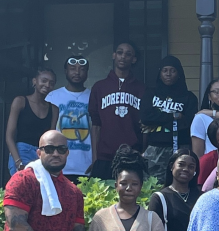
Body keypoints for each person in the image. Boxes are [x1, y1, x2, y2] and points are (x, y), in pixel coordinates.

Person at [89, 42, 145, 179]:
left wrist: (142, 153)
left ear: (134, 59)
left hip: (132, 154)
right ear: (114, 55)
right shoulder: (99, 87)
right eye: (120, 52)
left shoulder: (141, 88)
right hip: (105, 155)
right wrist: (95, 157)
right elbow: (96, 125)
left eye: (128, 54)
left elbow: (144, 126)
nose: (123, 56)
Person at [140, 56, 199, 179]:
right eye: (165, 70)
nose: (168, 74)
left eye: (172, 70)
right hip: (154, 147)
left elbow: (187, 122)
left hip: (181, 147)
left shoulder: (189, 97)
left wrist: (158, 119)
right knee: (152, 183)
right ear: (159, 73)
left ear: (179, 73)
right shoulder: (150, 93)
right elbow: (145, 117)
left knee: (180, 180)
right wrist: (173, 116)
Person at [6, 68, 60, 176]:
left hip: (42, 155)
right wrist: (18, 161)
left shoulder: (54, 109)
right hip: (22, 151)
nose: (47, 85)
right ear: (34, 81)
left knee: (41, 191)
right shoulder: (20, 101)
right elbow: (9, 136)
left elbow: (51, 139)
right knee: (23, 188)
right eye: (44, 80)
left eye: (51, 83)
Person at [47, 58, 92, 176]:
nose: (77, 72)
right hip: (58, 166)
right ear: (65, 71)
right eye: (72, 69)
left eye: (82, 69)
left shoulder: (94, 96)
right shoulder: (52, 96)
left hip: (87, 166)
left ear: (87, 72)